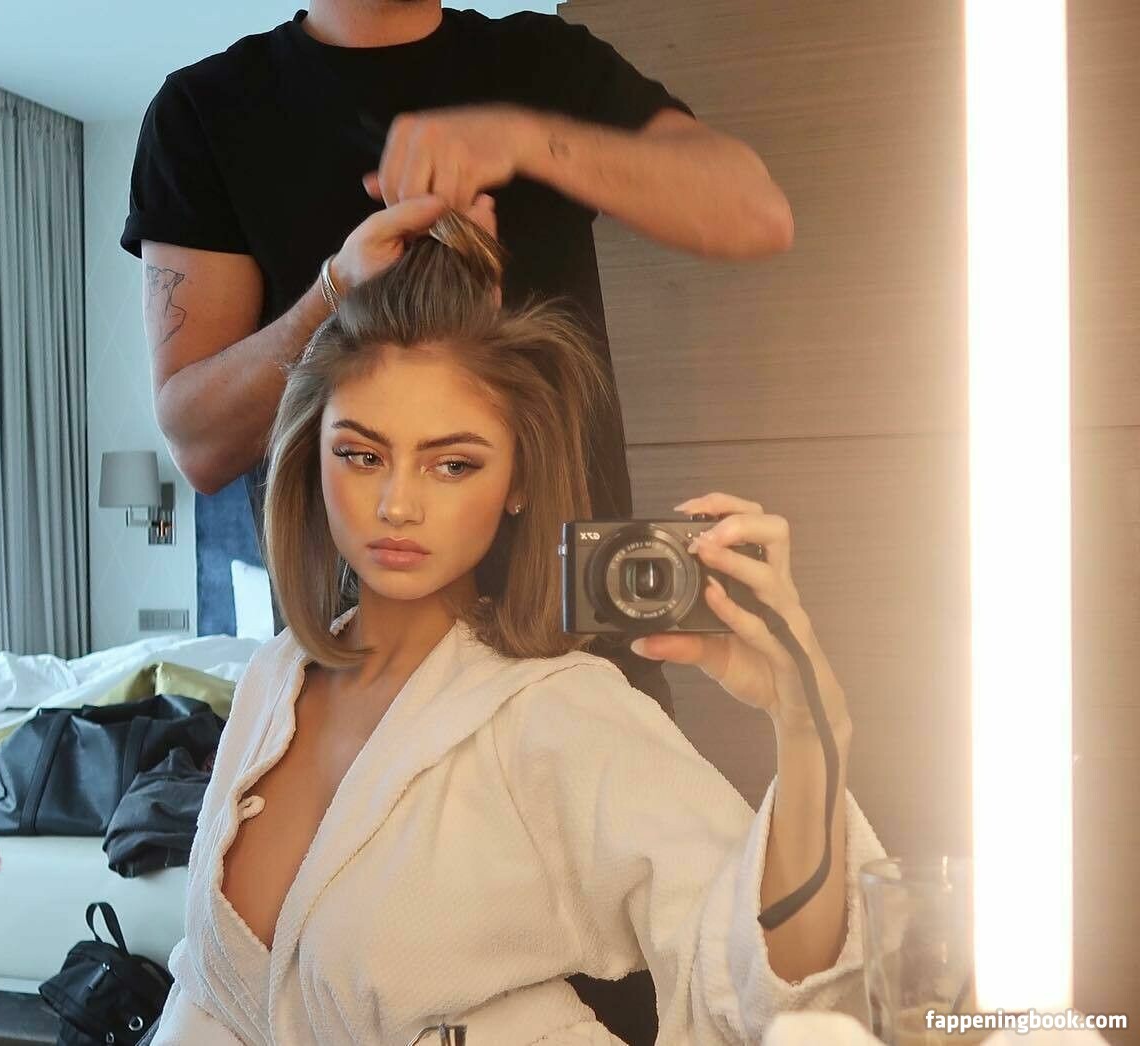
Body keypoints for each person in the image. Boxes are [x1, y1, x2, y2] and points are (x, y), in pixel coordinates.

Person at [143, 210, 883, 1045]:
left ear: (517, 482)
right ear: (313, 459)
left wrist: (811, 730)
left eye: (453, 463)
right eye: (362, 455)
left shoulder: (555, 712)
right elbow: (208, 991)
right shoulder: (273, 679)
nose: (398, 504)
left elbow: (767, 999)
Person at [121, 1, 796, 722]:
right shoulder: (205, 111)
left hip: (581, 650)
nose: (404, 506)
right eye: (364, 454)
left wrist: (527, 139)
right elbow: (200, 446)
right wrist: (333, 293)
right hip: (360, 681)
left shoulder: (549, 64)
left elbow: (756, 214)